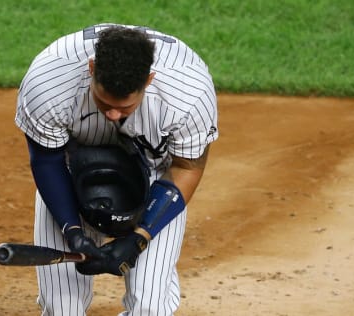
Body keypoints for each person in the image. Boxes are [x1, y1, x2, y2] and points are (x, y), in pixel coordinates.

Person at [15, 23, 219, 316]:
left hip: (154, 176)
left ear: (148, 80)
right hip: (74, 173)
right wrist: (73, 232)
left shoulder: (188, 94)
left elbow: (187, 167)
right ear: (91, 68)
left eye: (124, 107)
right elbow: (47, 161)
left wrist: (139, 239)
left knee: (150, 306)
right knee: (62, 309)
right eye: (103, 101)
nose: (111, 114)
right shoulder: (50, 80)